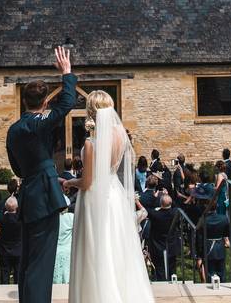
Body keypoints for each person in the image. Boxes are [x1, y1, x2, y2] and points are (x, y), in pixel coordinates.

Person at [62, 90, 155, 303]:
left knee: (96, 249)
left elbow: (87, 182)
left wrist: (68, 182)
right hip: (115, 194)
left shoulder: (91, 143)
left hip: (94, 198)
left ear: (91, 111)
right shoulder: (121, 135)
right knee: (116, 246)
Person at [5, 46, 76, 303]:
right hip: (44, 199)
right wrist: (66, 72)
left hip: (30, 195)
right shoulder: (40, 123)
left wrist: (43, 172)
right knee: (41, 262)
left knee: (28, 259)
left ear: (24, 101)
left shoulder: (14, 130)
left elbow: (17, 167)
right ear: (44, 103)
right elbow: (68, 102)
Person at [147, 193, 182, 281]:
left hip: (157, 244)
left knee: (159, 267)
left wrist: (155, 198)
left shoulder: (155, 214)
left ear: (160, 203)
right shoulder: (176, 212)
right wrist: (168, 196)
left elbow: (148, 208)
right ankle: (172, 281)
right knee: (172, 266)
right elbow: (177, 206)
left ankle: (161, 282)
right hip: (172, 243)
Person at [0, 196, 22, 285]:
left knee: (4, 272)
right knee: (18, 272)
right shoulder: (20, 220)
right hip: (18, 250)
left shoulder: (1, 218)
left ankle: (4, 287)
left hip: (4, 249)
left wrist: (5, 206)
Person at [202, 198, 230, 282]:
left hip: (208, 246)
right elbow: (226, 233)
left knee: (210, 272)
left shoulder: (203, 220)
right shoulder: (224, 218)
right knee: (221, 272)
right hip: (220, 247)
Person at [54, 199, 75, 284]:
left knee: (56, 279)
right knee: (67, 278)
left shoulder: (53, 219)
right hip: (68, 250)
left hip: (55, 250)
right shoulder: (71, 217)